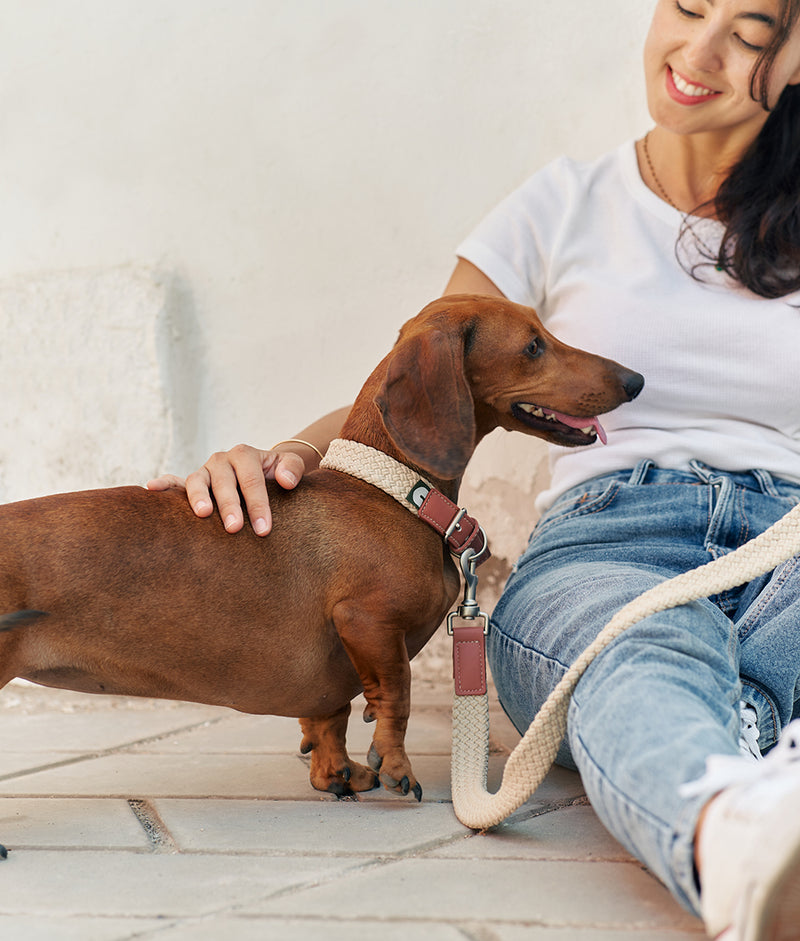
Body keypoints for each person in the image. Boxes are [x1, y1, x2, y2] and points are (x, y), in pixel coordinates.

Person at [149, 1, 800, 936]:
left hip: (790, 533)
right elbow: (422, 383)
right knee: (636, 649)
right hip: (609, 537)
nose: (696, 51)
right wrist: (288, 453)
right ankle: (734, 838)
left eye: (748, 33)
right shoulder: (564, 203)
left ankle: (724, 728)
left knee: (683, 671)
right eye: (688, 5)